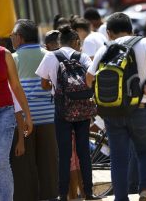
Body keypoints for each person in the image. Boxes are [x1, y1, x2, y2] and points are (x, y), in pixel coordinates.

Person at [86, 12, 146, 201]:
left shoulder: (105, 49)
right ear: (131, 29)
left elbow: (89, 78)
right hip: (139, 109)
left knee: (118, 157)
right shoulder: (144, 43)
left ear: (108, 32)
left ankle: (121, 197)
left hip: (112, 112)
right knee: (145, 151)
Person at [35, 25, 99, 201]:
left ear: (59, 42)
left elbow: (44, 84)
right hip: (83, 109)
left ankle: (62, 194)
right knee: (83, 152)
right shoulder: (83, 57)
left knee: (64, 154)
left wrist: (57, 87)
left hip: (62, 110)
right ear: (76, 42)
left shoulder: (51, 56)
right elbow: (91, 77)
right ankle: (89, 193)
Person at [9, 19, 59, 201]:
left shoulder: (12, 59)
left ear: (20, 38)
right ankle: (50, 196)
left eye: (12, 35)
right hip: (48, 117)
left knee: (23, 165)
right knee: (48, 163)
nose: (11, 39)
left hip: (22, 119)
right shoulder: (49, 55)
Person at [0, 45, 32, 201]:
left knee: (1, 160)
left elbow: (16, 86)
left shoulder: (4, 54)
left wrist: (28, 116)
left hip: (5, 112)